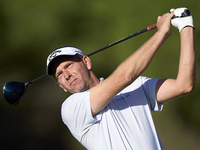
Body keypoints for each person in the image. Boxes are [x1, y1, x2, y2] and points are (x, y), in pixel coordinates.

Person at [46, 7, 196, 150]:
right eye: (59, 74)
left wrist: (186, 26)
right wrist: (162, 32)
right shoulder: (71, 108)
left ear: (86, 62)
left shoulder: (137, 85)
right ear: (62, 86)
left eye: (69, 65)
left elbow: (184, 85)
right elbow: (125, 76)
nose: (66, 75)